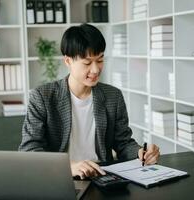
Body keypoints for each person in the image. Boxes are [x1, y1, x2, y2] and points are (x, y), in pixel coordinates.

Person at [19, 23, 160, 179]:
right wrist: (69, 167)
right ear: (68, 61)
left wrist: (141, 152)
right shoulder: (42, 97)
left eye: (100, 60)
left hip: (102, 175)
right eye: (87, 63)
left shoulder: (113, 96)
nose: (95, 69)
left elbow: (123, 142)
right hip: (60, 176)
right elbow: (29, 149)